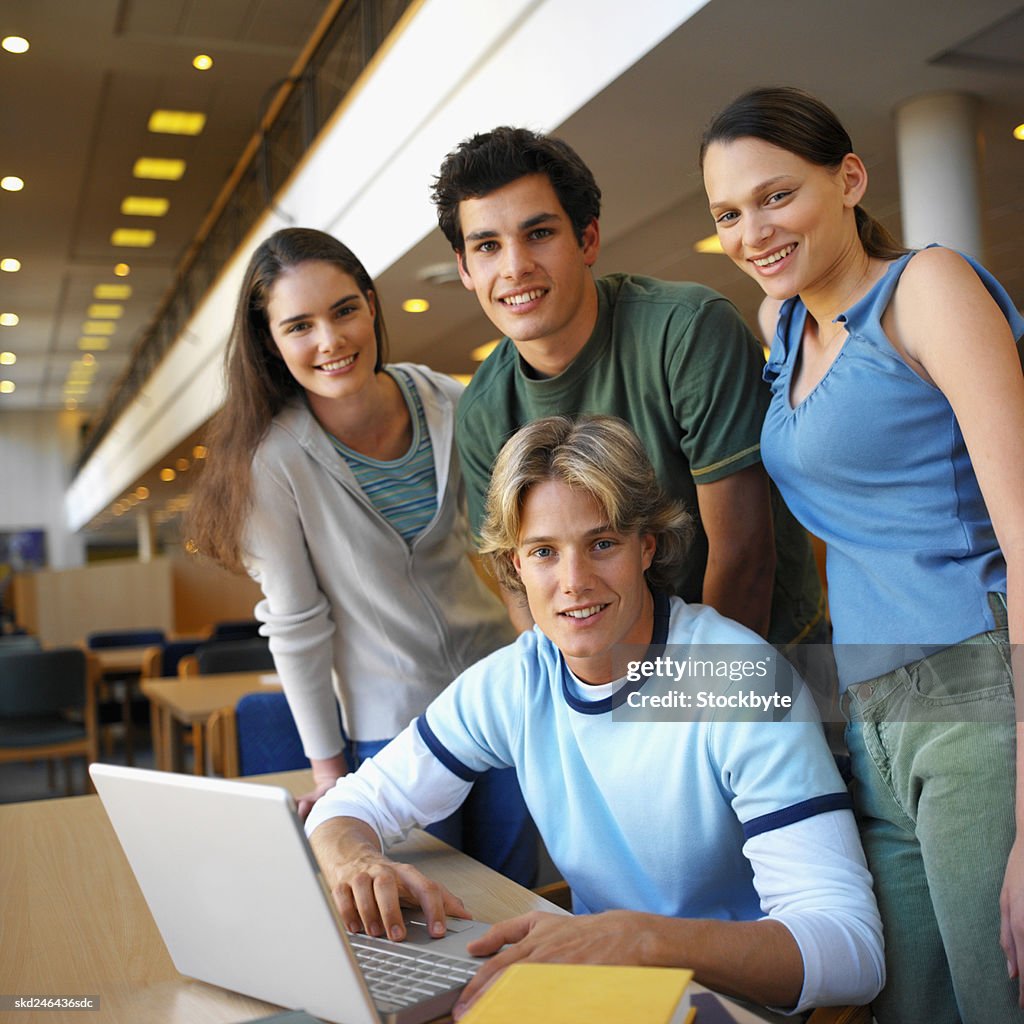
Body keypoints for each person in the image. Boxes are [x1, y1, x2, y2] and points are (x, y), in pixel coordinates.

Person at [306, 414, 884, 1018]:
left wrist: (642, 938)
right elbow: (349, 804)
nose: (574, 582)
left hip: (729, 1005)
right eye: (544, 552)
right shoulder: (517, 679)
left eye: (602, 543)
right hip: (597, 993)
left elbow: (852, 952)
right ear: (514, 566)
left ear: (646, 547)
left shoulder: (737, 678)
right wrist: (355, 860)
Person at [700, 85, 1024, 1023]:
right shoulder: (783, 325)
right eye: (728, 212)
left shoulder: (928, 288)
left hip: (976, 698)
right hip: (867, 710)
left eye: (776, 195)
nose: (753, 231)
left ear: (849, 179)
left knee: (994, 1000)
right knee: (908, 1006)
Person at [186, 227, 535, 884]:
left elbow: (518, 548)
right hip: (392, 731)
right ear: (270, 342)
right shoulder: (274, 462)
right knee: (435, 916)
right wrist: (330, 773)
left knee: (518, 898)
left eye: (344, 309)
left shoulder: (449, 403)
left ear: (372, 305)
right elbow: (296, 624)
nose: (330, 340)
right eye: (299, 326)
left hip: (501, 698)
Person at [429, 126, 823, 650]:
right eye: (487, 246)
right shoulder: (481, 408)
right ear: (464, 268)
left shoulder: (687, 331)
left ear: (587, 239)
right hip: (609, 685)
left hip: (767, 661)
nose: (515, 267)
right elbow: (524, 590)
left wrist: (687, 710)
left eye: (539, 234)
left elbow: (743, 558)